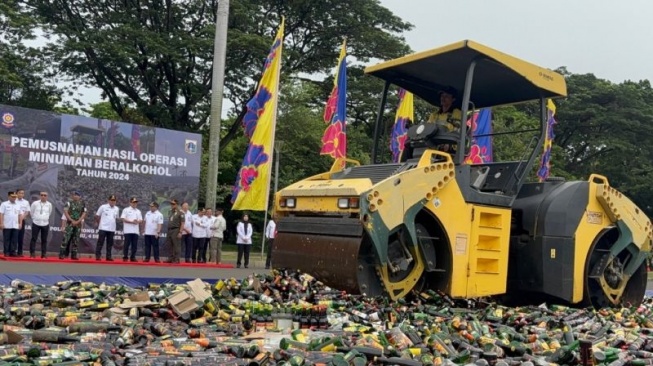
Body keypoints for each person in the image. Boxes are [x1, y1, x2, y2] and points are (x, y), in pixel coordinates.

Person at [60, 190, 87, 260]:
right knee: (66, 239)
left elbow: (84, 213)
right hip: (70, 224)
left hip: (78, 224)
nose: (76, 196)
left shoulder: (82, 204)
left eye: (77, 195)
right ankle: (62, 254)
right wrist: (71, 220)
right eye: (74, 195)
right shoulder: (68, 203)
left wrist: (78, 221)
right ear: (72, 196)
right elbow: (65, 212)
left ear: (80, 196)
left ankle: (74, 255)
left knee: (76, 240)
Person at [95, 195, 120, 261]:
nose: (112, 202)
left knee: (110, 243)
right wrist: (99, 223)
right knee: (100, 242)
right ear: (108, 200)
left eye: (114, 200)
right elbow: (97, 215)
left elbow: (116, 218)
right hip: (103, 228)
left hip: (111, 229)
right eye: (111, 200)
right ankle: (98, 255)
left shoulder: (117, 209)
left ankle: (108, 256)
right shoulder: (103, 207)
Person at [29, 191, 53, 258]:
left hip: (45, 224)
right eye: (42, 195)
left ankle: (43, 254)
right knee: (34, 238)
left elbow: (49, 213)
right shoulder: (35, 203)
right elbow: (31, 212)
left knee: (44, 239)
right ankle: (32, 253)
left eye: (45, 195)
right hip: (36, 223)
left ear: (47, 196)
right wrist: (35, 219)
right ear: (40, 196)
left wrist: (44, 218)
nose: (43, 196)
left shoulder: (49, 204)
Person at [121, 197, 142, 262]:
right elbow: (123, 219)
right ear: (130, 203)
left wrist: (137, 221)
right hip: (128, 230)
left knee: (134, 245)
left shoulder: (138, 211)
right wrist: (131, 221)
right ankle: (125, 257)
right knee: (126, 245)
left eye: (135, 202)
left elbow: (141, 220)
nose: (134, 204)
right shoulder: (126, 210)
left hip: (135, 231)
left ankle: (133, 257)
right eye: (133, 202)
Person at [0, 192, 22, 257]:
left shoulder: (18, 205)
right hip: (7, 225)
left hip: (15, 225)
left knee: (14, 239)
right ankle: (6, 252)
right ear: (9, 197)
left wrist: (20, 223)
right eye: (12, 196)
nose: (14, 198)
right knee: (7, 239)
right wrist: (1, 223)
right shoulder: (4, 204)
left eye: (15, 197)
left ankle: (13, 252)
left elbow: (20, 215)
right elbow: (1, 214)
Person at [165, 199, 185, 263]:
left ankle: (177, 259)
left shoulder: (180, 212)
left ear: (177, 204)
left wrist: (180, 232)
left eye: (173, 204)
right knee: (169, 244)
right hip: (170, 230)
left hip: (176, 229)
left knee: (176, 245)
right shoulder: (170, 211)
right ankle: (170, 258)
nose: (172, 205)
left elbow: (182, 223)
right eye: (171, 204)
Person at [15, 188, 30, 257]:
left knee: (20, 237)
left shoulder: (26, 202)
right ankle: (12, 251)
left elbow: (27, 212)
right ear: (16, 193)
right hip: (13, 220)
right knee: (13, 236)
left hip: (22, 221)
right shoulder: (13, 200)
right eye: (20, 193)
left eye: (22, 193)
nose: (21, 194)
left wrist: (21, 218)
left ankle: (20, 252)